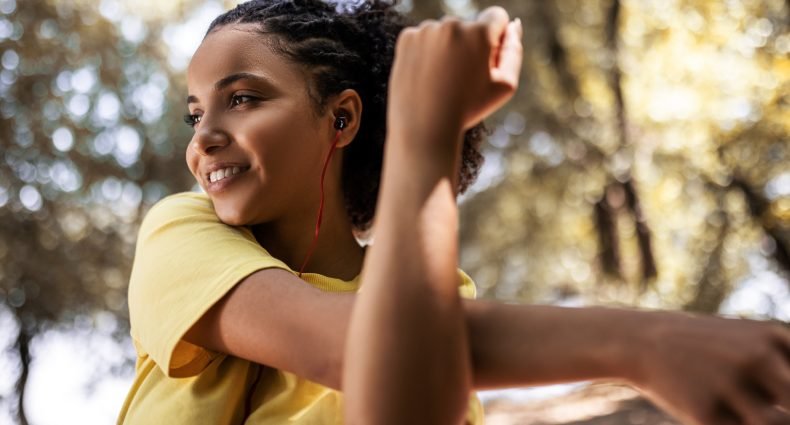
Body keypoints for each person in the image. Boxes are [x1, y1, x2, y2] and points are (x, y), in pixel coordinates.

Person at [117, 1, 790, 424]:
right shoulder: (183, 231)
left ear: (341, 117)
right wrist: (425, 135)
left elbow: (401, 383)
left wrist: (649, 343)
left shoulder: (436, 304)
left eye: (241, 99)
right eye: (195, 111)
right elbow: (353, 349)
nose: (202, 135)